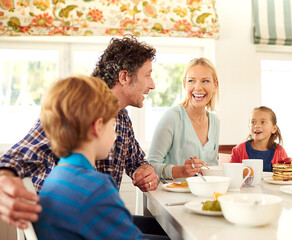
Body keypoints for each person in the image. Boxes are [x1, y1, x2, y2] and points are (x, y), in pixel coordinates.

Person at [0, 36, 159, 229]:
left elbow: (136, 161)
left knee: (164, 229)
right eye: (148, 75)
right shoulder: (75, 108)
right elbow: (14, 160)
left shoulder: (123, 118)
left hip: (96, 220)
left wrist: (144, 170)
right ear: (124, 77)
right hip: (70, 228)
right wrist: (4, 182)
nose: (152, 85)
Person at [33, 75, 168, 240]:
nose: (114, 133)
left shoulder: (55, 177)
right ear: (98, 127)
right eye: (112, 125)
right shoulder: (96, 188)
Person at [147, 58, 220, 180]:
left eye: (205, 81)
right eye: (191, 81)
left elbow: (212, 167)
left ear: (215, 85)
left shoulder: (215, 121)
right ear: (184, 84)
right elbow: (151, 165)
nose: (198, 87)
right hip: (171, 197)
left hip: (203, 195)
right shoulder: (172, 117)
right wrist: (181, 171)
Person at [230, 106, 288, 172]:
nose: (257, 126)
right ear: (249, 127)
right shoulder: (238, 150)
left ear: (274, 128)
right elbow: (231, 174)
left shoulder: (280, 152)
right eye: (253, 122)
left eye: (263, 122)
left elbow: (286, 175)